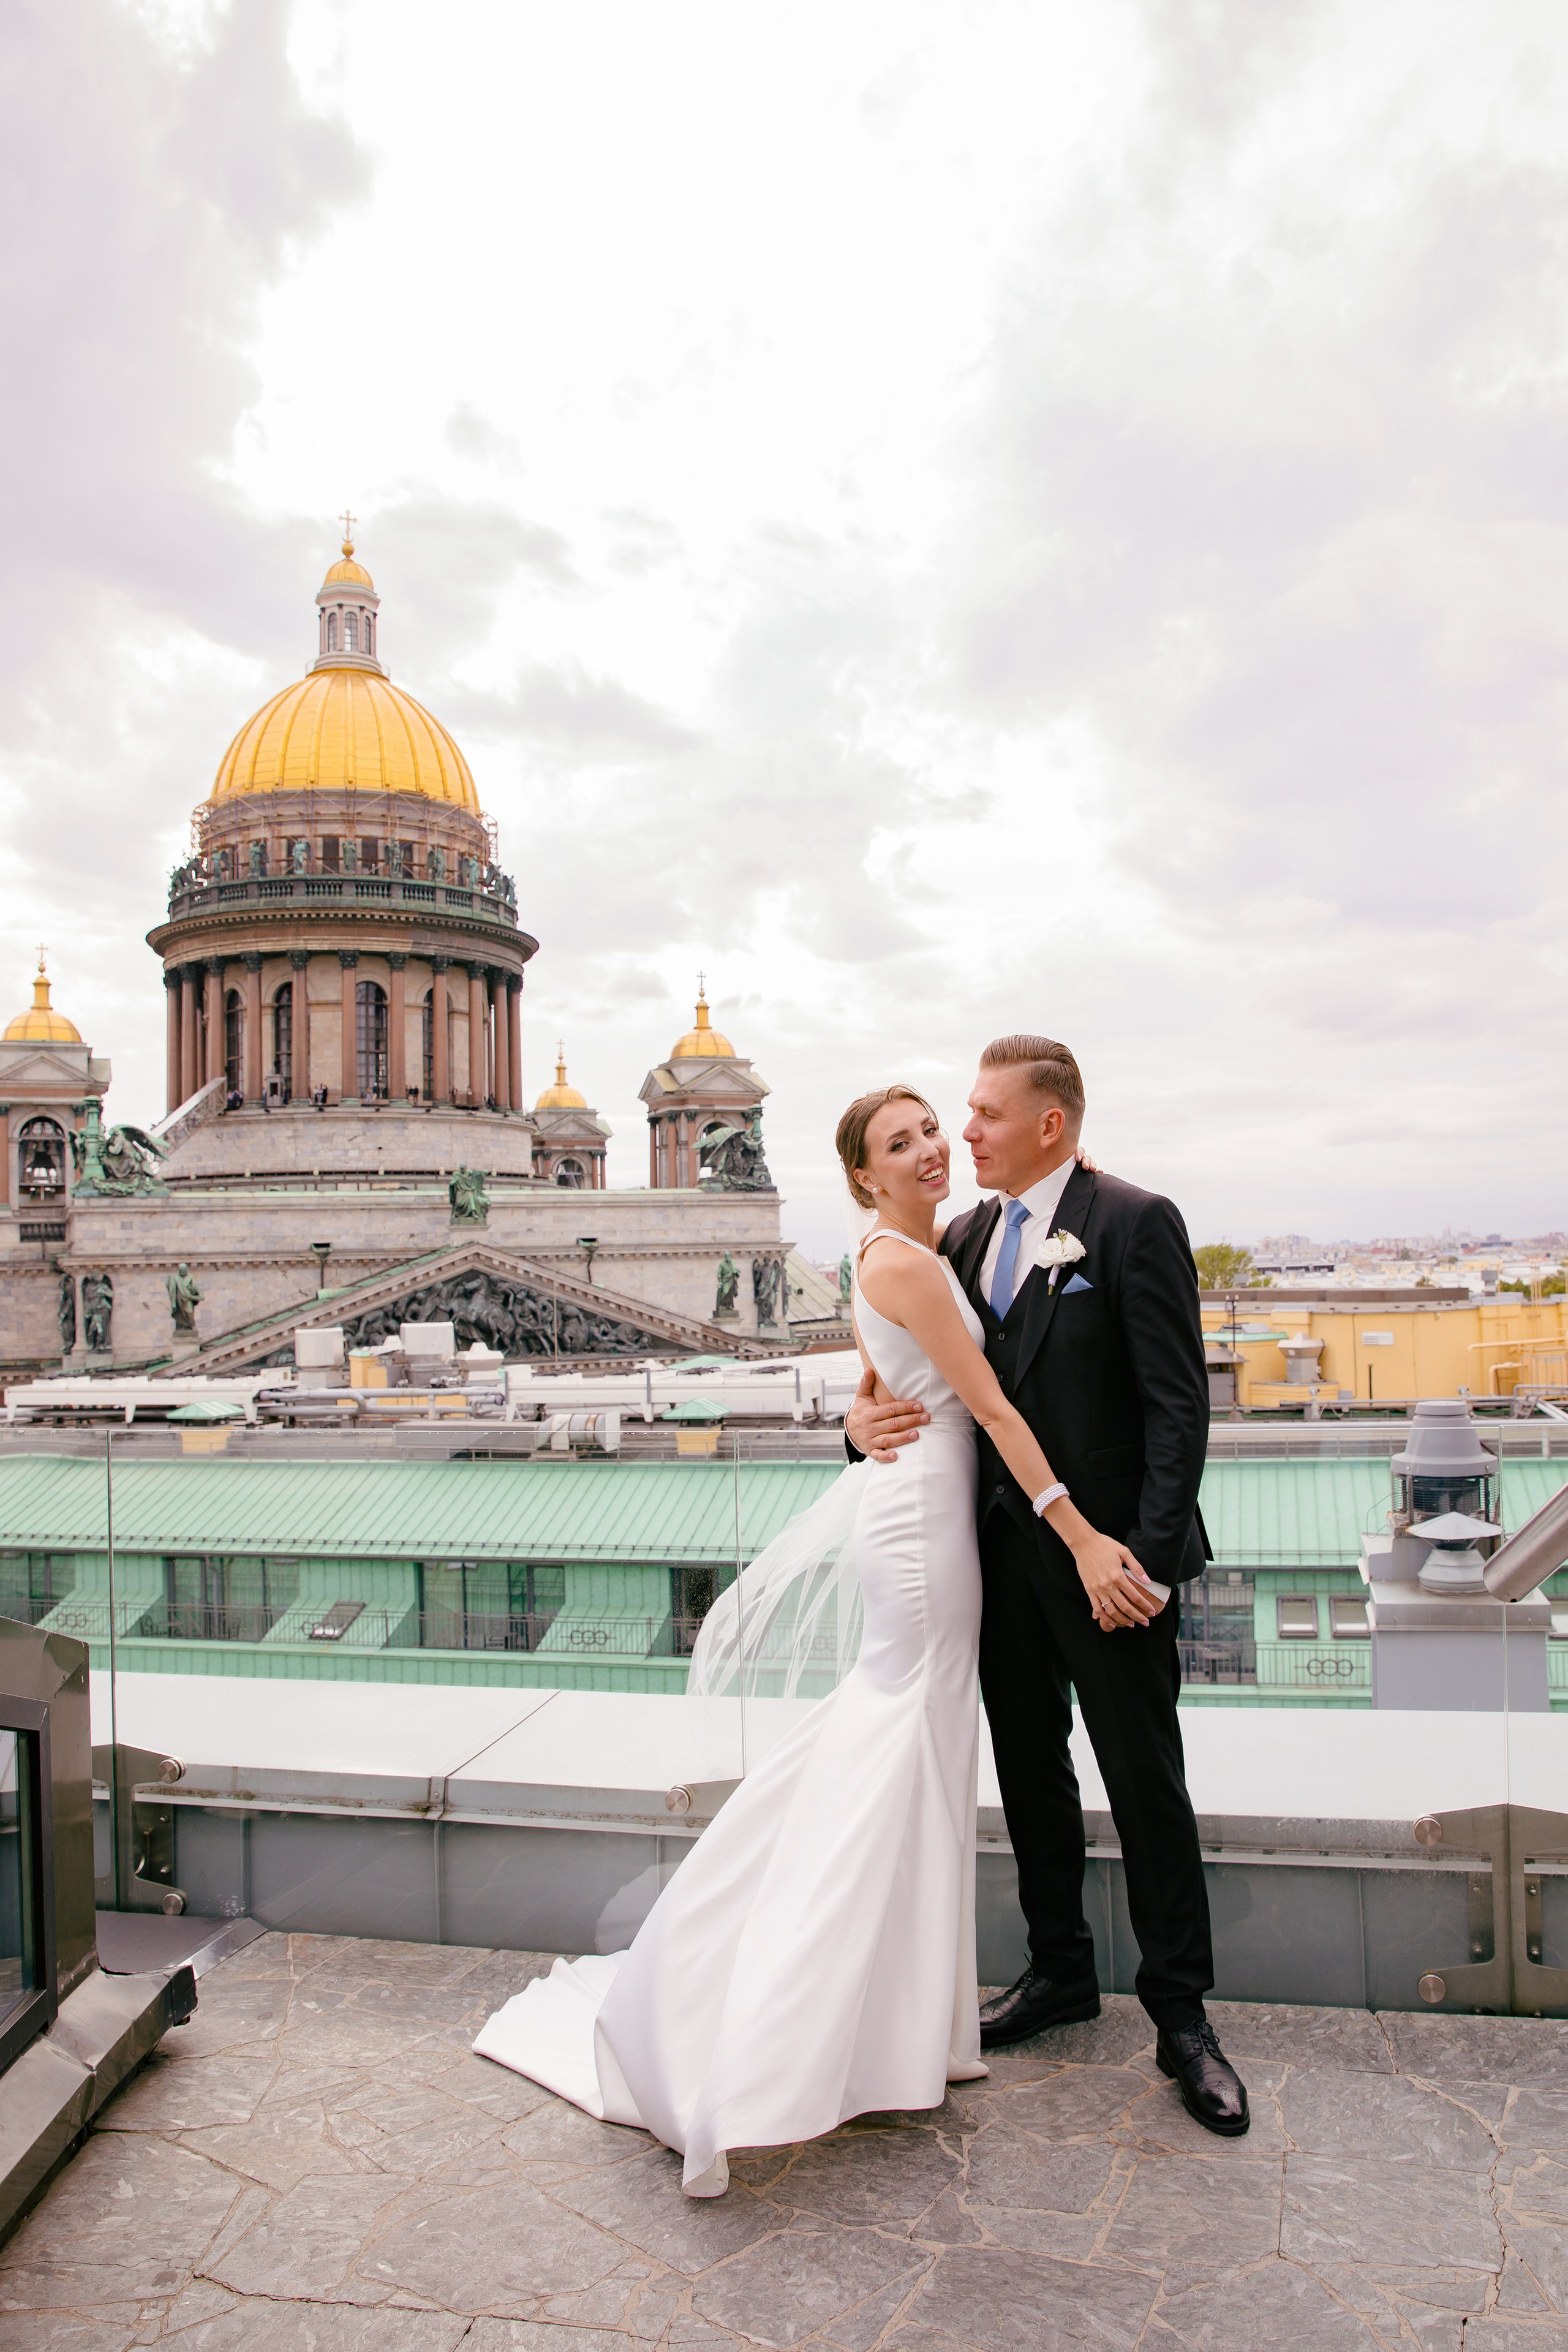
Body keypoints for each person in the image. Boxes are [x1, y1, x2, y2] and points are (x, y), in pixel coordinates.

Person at [473, 1082, 1148, 2192]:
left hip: (924, 1518)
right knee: (895, 1762)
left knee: (911, 1761)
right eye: (903, 1141)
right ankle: (786, 2030)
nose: (932, 1147)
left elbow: (885, 1383)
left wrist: (858, 1415)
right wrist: (1077, 1532)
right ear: (862, 1175)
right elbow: (988, 1406)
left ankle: (906, 2034)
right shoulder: (902, 1263)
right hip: (926, 1536)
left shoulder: (905, 1254)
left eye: (934, 1129)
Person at [844, 1036, 1246, 2137]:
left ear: (1050, 1125)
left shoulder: (1134, 1221)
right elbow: (919, 1384)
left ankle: (1183, 2018)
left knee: (1145, 1781)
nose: (961, 1133)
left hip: (1110, 1566)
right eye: (954, 1117)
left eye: (982, 1115)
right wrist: (853, 1428)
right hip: (993, 1563)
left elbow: (1178, 1414)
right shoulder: (963, 1237)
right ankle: (1059, 1969)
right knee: (1030, 1774)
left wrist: (1144, 1566)